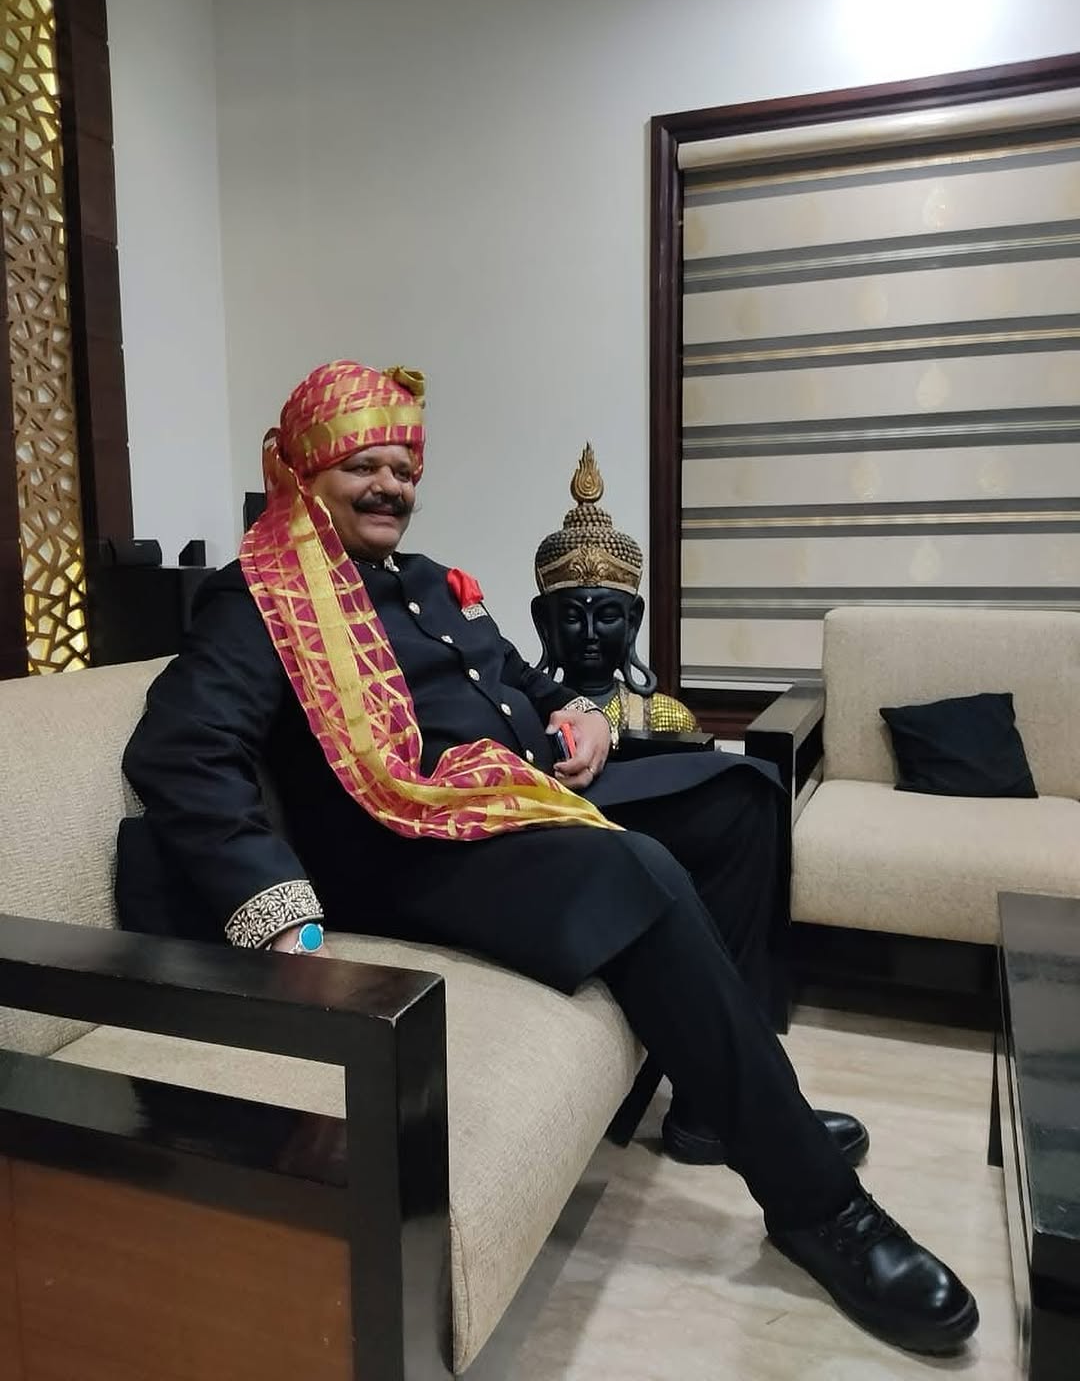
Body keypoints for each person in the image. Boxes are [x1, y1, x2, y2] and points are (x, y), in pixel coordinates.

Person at [121, 360, 978, 1356]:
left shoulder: (428, 582)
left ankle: (714, 1110)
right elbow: (181, 751)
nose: (391, 486)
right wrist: (279, 913)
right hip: (411, 843)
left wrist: (579, 714)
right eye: (364, 466)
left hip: (519, 792)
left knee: (742, 796)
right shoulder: (261, 599)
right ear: (306, 470)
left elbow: (517, 680)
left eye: (404, 468)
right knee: (637, 871)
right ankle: (821, 1209)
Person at [532, 443, 698, 735]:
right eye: (572, 617)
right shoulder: (530, 717)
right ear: (545, 623)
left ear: (633, 620)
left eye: (607, 617)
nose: (590, 634)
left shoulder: (666, 718)